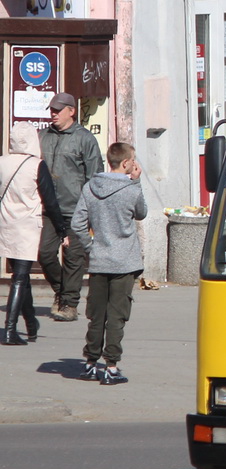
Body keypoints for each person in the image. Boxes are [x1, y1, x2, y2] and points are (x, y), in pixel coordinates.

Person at [71, 142, 147, 385]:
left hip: (99, 261)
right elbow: (142, 213)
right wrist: (136, 181)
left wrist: (91, 247)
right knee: (117, 316)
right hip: (124, 263)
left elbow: (77, 224)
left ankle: (90, 364)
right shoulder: (131, 189)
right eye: (133, 160)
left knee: (96, 315)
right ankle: (111, 366)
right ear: (126, 163)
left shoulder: (90, 186)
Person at [1, 123, 69, 345]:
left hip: (5, 224)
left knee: (21, 276)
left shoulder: (2, 162)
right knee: (20, 276)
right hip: (27, 226)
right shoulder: (36, 166)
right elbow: (50, 201)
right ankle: (10, 330)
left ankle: (31, 324)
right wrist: (61, 229)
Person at [39, 92, 103, 323]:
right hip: (49, 210)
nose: (53, 114)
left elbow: (94, 176)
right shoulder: (43, 136)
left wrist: (90, 209)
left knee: (74, 258)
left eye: (58, 110)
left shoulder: (85, 139)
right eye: (52, 110)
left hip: (77, 209)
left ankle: (69, 304)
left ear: (71, 111)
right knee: (45, 254)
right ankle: (61, 290)